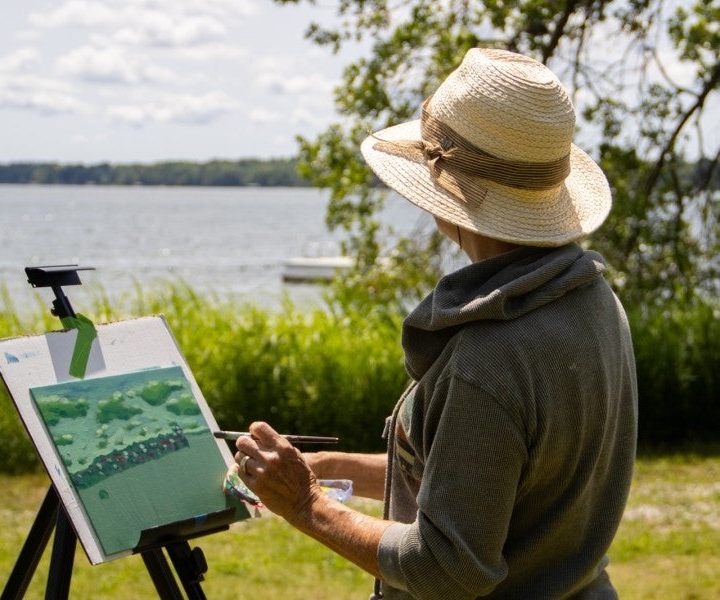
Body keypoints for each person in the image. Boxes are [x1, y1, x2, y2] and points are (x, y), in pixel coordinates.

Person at [233, 47, 638, 599]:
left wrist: (307, 503)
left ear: (447, 191)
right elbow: (475, 476)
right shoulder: (588, 298)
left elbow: (448, 567)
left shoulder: (490, 358)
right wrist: (329, 465)